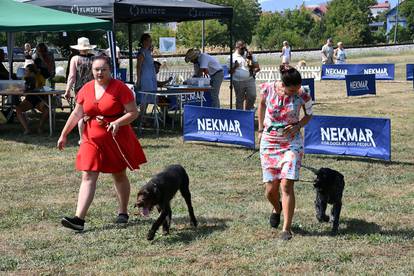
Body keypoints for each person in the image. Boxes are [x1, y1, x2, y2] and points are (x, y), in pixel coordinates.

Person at [57, 55, 147, 231]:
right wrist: (64, 134)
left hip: (115, 138)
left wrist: (117, 122)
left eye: (103, 69)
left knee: (119, 175)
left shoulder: (120, 88)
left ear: (110, 70)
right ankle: (79, 220)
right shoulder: (86, 89)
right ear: (91, 71)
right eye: (96, 69)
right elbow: (76, 114)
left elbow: (133, 112)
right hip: (91, 139)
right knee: (88, 174)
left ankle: (123, 212)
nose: (99, 73)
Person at [257, 65, 313, 241]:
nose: (295, 92)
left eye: (297, 88)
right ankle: (277, 207)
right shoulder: (268, 89)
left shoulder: (303, 93)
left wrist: (298, 125)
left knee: (286, 185)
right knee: (270, 190)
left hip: (292, 143)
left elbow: (309, 114)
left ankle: (286, 229)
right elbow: (261, 105)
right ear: (282, 84)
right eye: (292, 90)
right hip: (270, 141)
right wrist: (260, 130)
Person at [64, 37, 96, 143]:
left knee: (80, 114)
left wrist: (67, 90)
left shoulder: (75, 59)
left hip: (80, 90)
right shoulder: (95, 58)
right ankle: (92, 135)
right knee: (92, 113)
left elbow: (72, 76)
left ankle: (82, 138)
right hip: (94, 89)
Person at [15, 64, 48, 135]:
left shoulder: (40, 77)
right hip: (29, 100)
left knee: (47, 111)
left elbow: (44, 89)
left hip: (39, 99)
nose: (25, 72)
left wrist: (44, 101)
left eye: (26, 71)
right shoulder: (24, 78)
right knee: (18, 109)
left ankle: (40, 128)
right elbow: (21, 89)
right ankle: (27, 129)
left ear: (32, 72)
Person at [230, 40, 260, 110]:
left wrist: (251, 59)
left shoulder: (249, 55)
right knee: (240, 99)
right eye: (242, 48)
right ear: (237, 47)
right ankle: (239, 114)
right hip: (238, 81)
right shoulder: (232, 57)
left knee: (252, 96)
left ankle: (248, 112)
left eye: (244, 48)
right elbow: (230, 72)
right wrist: (235, 66)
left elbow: (257, 67)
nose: (243, 50)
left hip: (249, 79)